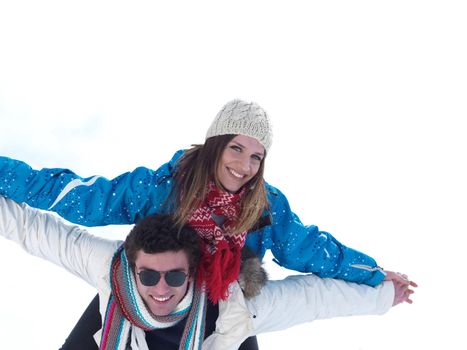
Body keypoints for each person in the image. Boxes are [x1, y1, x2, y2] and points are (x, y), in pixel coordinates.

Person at [0, 99, 415, 348]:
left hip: (221, 309)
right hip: (147, 292)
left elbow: (311, 249)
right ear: (218, 144)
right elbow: (78, 197)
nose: (245, 166)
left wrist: (373, 275)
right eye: (236, 148)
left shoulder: (264, 207)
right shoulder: (162, 186)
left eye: (256, 156)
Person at [0, 196, 414, 350]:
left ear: (193, 272)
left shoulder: (233, 304)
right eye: (149, 277)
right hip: (120, 332)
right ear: (133, 266)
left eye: (175, 278)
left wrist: (381, 294)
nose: (161, 289)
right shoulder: (109, 267)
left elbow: (315, 298)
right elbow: (37, 231)